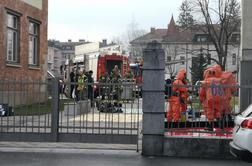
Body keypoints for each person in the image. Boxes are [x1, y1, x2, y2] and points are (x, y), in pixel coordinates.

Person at [199, 65, 225, 130]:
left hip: (210, 99)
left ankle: (210, 126)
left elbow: (202, 92)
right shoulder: (219, 80)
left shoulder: (206, 81)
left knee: (210, 111)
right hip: (219, 98)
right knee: (217, 111)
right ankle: (220, 122)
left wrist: (201, 99)